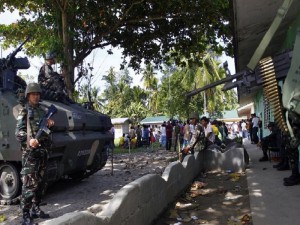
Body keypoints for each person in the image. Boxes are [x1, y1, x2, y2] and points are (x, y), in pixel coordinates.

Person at [15, 83, 55, 225]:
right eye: (33, 94)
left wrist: (50, 124)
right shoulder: (24, 112)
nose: (36, 96)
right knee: (29, 185)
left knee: (41, 183)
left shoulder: (43, 111)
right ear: (28, 96)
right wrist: (29, 140)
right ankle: (25, 213)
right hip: (30, 154)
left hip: (42, 152)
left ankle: (35, 208)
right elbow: (18, 133)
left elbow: (46, 132)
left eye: (38, 94)